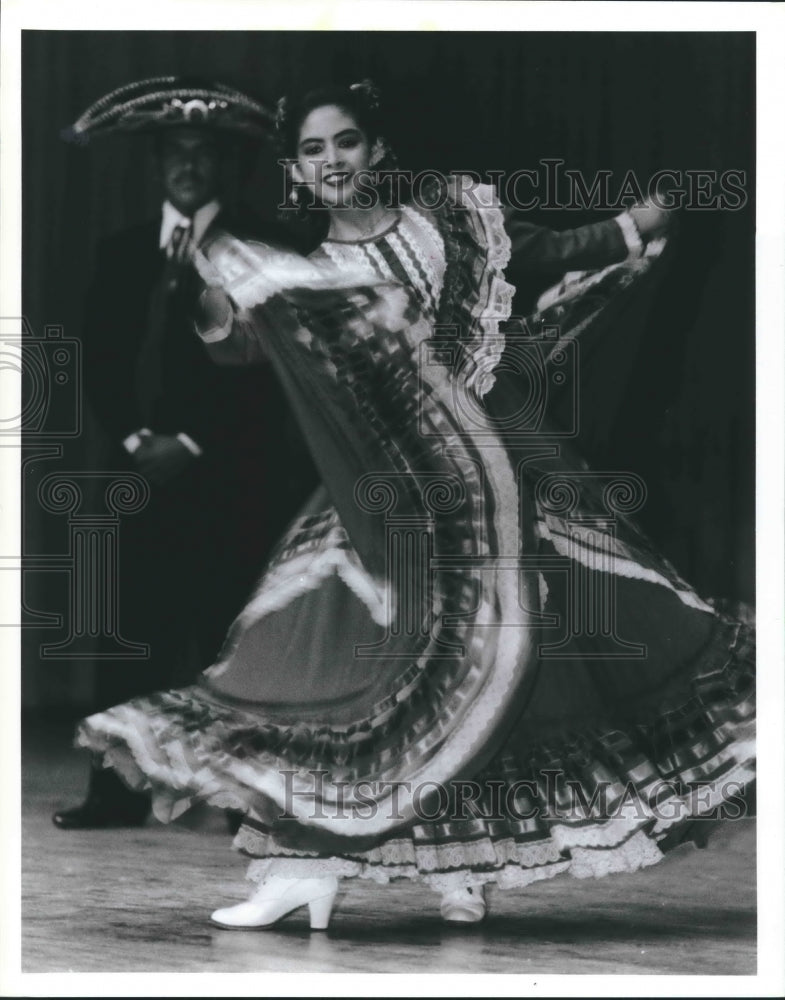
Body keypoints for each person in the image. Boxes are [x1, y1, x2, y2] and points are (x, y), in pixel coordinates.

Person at [75, 82, 754, 929]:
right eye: (314, 151)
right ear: (292, 169)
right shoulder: (300, 265)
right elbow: (238, 350)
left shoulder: (446, 226)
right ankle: (304, 866)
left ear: (376, 151)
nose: (332, 162)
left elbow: (548, 251)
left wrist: (634, 225)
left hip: (483, 480)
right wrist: (215, 295)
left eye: (346, 143)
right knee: (314, 651)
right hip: (375, 495)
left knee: (506, 667)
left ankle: (464, 863)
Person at [53, 79, 317, 830]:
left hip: (232, 477)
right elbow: (98, 361)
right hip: (136, 476)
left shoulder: (262, 247)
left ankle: (244, 802)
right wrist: (138, 442)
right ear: (158, 162)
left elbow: (273, 372)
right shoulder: (122, 250)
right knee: (125, 628)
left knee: (232, 634)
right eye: (177, 152)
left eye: (205, 153)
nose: (189, 165)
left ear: (225, 166)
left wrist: (193, 443)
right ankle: (113, 790)